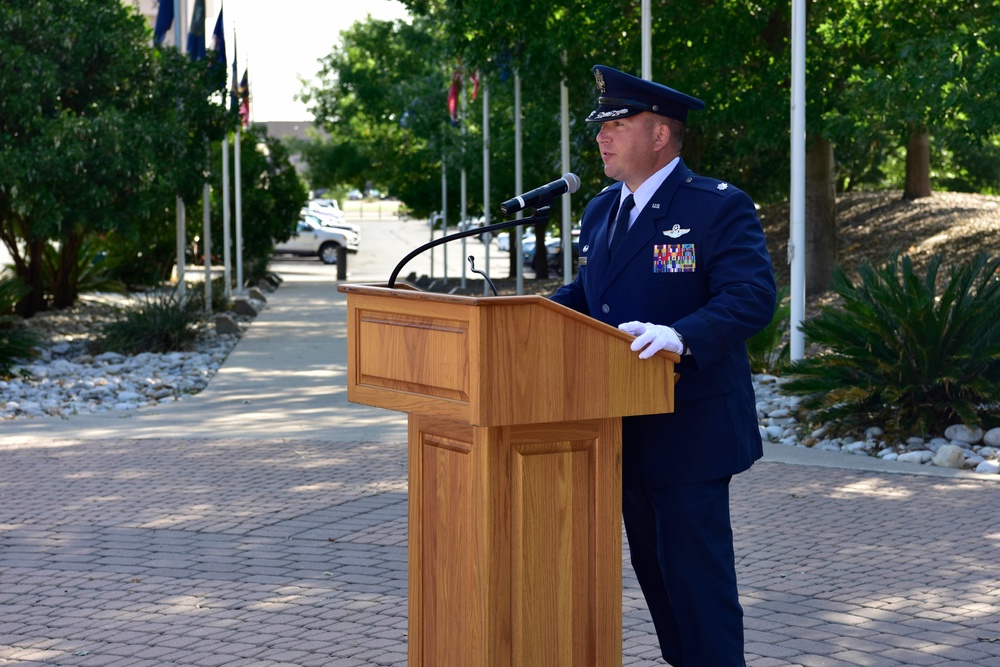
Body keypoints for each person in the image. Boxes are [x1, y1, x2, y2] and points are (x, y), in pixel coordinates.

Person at [550, 65, 777, 666]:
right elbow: (590, 293)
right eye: (601, 127)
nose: (601, 137)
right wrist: (528, 316)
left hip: (690, 426)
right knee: (659, 584)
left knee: (698, 588)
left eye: (617, 125)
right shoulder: (602, 210)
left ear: (659, 135)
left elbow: (751, 296)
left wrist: (681, 335)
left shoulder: (714, 207)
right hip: (622, 425)